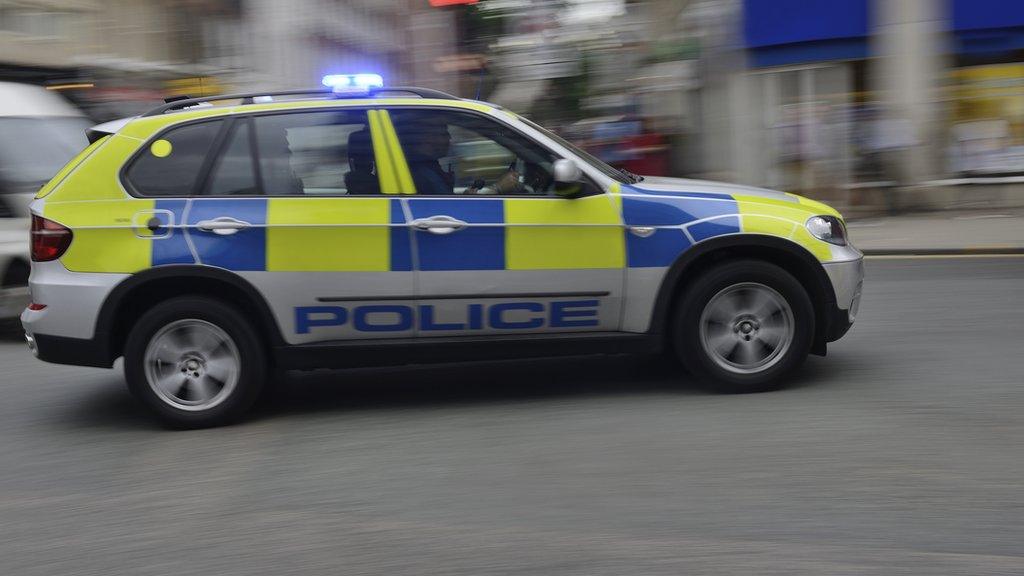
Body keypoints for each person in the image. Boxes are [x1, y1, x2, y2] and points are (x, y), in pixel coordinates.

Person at [394, 117, 456, 195]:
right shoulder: (423, 174)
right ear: (428, 138)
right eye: (444, 134)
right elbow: (444, 204)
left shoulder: (428, 166)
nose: (450, 138)